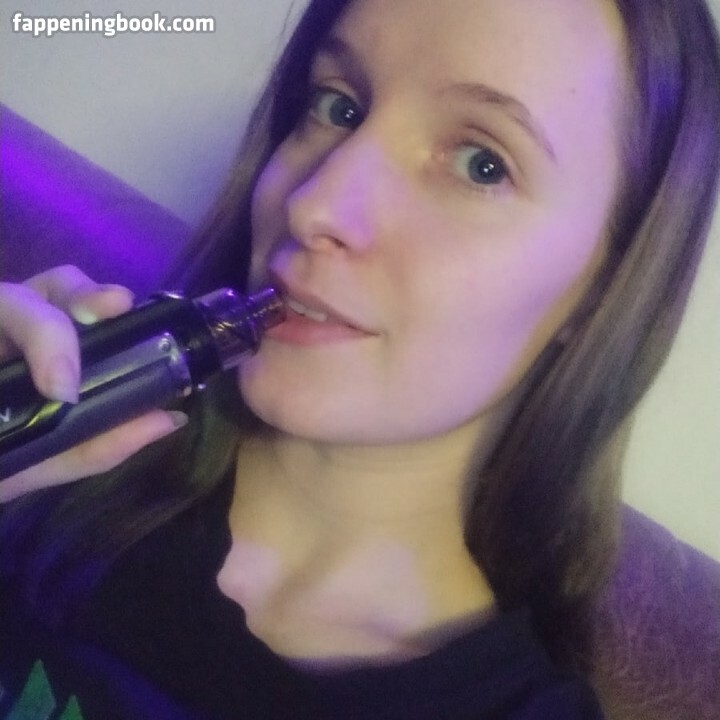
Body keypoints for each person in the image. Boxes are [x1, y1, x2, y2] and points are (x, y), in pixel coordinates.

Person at [1, 0, 719, 717]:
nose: (314, 205)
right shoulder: (53, 456)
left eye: (481, 164)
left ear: (603, 293)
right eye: (336, 106)